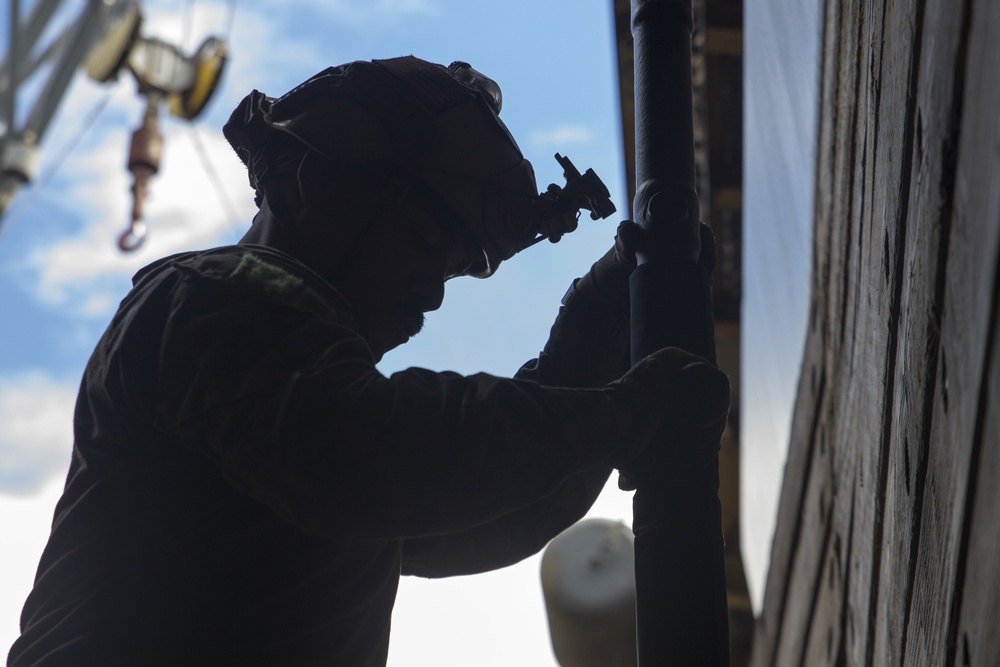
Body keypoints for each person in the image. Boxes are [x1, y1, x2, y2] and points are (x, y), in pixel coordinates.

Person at [8, 56, 729, 666]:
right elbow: (380, 456)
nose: (431, 296)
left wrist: (596, 326)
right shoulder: (207, 303)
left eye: (450, 270)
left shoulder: (308, 430)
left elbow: (493, 507)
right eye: (421, 242)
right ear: (313, 185)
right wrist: (633, 409)